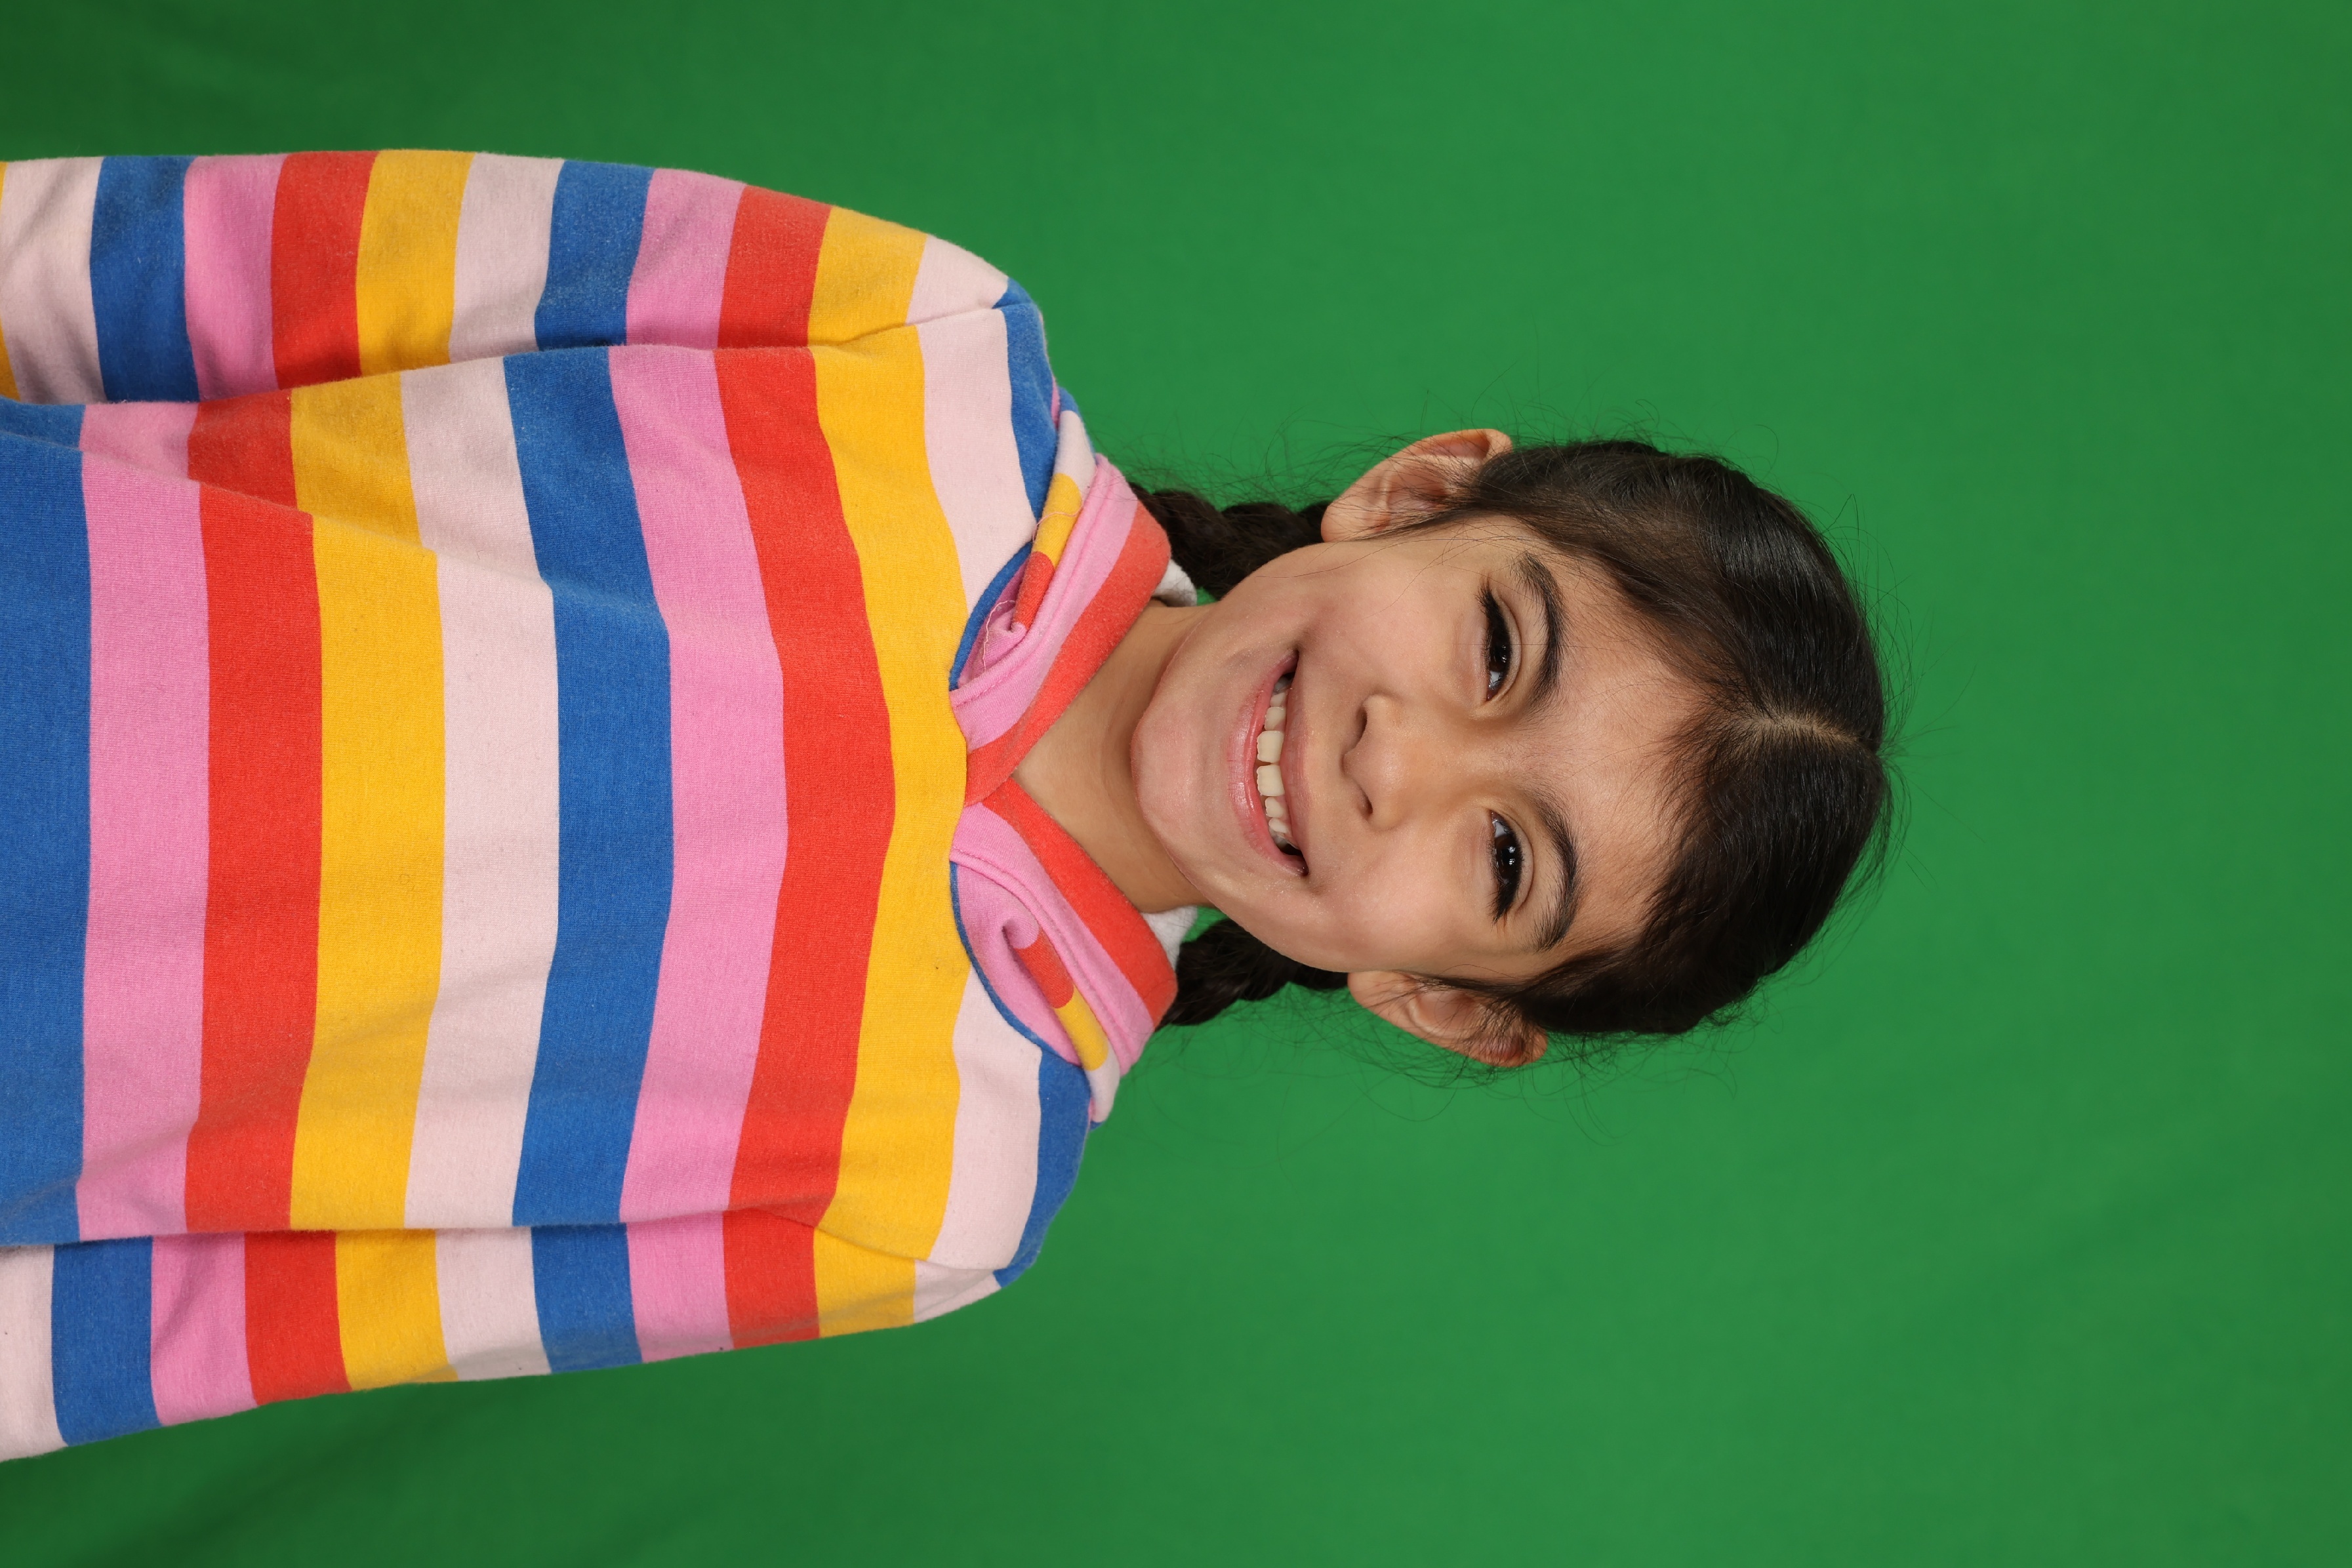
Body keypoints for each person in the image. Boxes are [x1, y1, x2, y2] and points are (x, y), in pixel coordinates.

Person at [0, 151, 1889, 1460]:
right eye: (1497, 645)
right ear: (1415, 497)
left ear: (1442, 1001)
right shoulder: (922, 344)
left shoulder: (939, 1201)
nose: (1402, 761)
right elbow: (224, 268)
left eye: (1506, 858)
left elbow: (276, 1315)